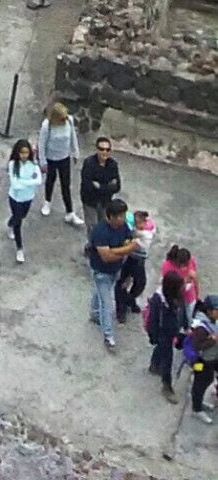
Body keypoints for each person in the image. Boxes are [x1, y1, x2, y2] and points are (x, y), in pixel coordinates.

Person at [88, 196, 138, 351]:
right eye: (119, 216)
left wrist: (116, 251)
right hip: (101, 272)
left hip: (116, 270)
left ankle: (94, 313)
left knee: (100, 294)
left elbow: (132, 243)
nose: (123, 219)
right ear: (110, 217)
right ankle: (108, 336)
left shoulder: (123, 228)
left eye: (123, 216)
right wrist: (124, 251)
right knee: (107, 304)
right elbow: (106, 257)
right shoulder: (99, 232)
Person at [145, 271, 189, 399]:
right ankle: (167, 386)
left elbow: (183, 308)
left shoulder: (178, 294)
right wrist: (153, 336)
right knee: (168, 358)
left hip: (172, 330)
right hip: (162, 333)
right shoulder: (158, 299)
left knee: (162, 349)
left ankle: (154, 365)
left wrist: (186, 325)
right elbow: (153, 320)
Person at [37, 100, 82, 222]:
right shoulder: (47, 126)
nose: (64, 119)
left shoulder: (69, 121)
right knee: (50, 181)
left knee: (65, 185)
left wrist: (75, 152)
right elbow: (41, 144)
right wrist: (43, 162)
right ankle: (47, 202)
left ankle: (70, 212)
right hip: (51, 158)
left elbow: (73, 136)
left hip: (64, 157)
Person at [79, 135, 122, 234]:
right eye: (102, 149)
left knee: (103, 227)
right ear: (97, 149)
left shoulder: (113, 165)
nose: (105, 152)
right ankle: (92, 247)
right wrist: (108, 187)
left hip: (105, 202)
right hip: (90, 201)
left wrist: (99, 186)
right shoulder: (89, 163)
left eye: (107, 149)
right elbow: (87, 186)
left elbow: (117, 186)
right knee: (92, 228)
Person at [7, 138, 40, 264]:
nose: (24, 155)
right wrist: (28, 183)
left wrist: (23, 182)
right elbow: (15, 185)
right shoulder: (13, 164)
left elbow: (38, 181)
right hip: (15, 198)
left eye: (26, 153)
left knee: (21, 216)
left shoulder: (33, 165)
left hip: (28, 198)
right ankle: (19, 248)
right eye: (22, 152)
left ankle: (10, 224)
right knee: (18, 221)